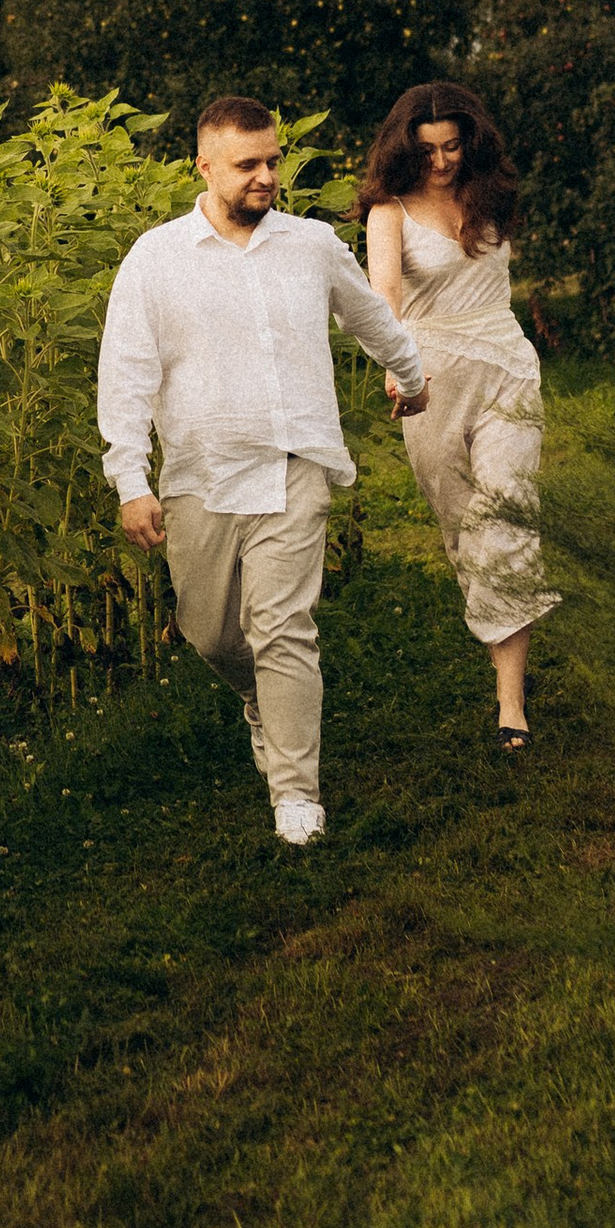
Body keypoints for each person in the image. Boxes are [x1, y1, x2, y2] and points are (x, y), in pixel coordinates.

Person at [99, 95, 425, 847]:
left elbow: (371, 317)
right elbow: (126, 374)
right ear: (204, 167)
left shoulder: (311, 246)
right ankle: (266, 703)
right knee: (212, 635)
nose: (266, 176)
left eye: (273, 161)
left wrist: (411, 374)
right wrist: (130, 480)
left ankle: (296, 796)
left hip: (293, 462)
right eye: (247, 165)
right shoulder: (156, 258)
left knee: (283, 630)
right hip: (197, 475)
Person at [358, 81, 560, 747]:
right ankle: (504, 631)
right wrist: (396, 363)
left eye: (452, 146)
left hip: (505, 365)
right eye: (428, 150)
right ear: (403, 148)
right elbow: (384, 291)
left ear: (470, 140)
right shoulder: (389, 211)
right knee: (462, 525)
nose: (442, 162)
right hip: (432, 377)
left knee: (505, 516)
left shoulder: (490, 194)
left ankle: (511, 706)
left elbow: (497, 278)